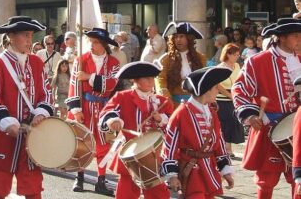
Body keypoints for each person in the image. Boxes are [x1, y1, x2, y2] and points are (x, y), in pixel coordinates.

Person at [0, 16, 53, 199]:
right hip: (3, 136)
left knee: (33, 189)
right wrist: (6, 121)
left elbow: (46, 94)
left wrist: (41, 113)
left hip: (31, 138)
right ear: (11, 36)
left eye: (31, 35)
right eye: (25, 35)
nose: (29, 40)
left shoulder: (36, 63)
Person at [232, 18, 301, 199]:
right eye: (296, 36)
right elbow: (240, 89)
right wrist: (250, 114)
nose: (300, 39)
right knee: (266, 179)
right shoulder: (258, 61)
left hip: (298, 127)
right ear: (282, 38)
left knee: (298, 179)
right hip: (270, 127)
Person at [98, 61, 173, 198]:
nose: (151, 81)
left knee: (158, 192)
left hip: (154, 155)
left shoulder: (162, 101)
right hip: (130, 152)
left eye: (152, 78)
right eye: (146, 78)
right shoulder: (123, 97)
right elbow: (106, 113)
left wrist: (160, 119)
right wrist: (113, 120)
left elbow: (171, 125)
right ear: (135, 80)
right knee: (126, 192)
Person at [161, 66, 235, 198]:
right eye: (215, 87)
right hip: (191, 171)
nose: (218, 90)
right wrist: (171, 175)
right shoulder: (181, 114)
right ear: (206, 90)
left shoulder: (212, 112)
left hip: (209, 168)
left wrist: (225, 170)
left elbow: (219, 142)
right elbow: (169, 146)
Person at [66, 27, 121, 195]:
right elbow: (74, 86)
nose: (91, 45)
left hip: (104, 107)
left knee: (103, 144)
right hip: (85, 106)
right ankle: (79, 177)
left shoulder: (114, 63)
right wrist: (75, 109)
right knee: (81, 143)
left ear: (104, 44)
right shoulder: (80, 60)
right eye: (90, 41)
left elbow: (111, 85)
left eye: (95, 42)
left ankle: (101, 180)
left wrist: (88, 77)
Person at [156, 22, 207, 108]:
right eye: (176, 37)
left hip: (197, 102)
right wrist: (167, 99)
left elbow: (205, 80)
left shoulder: (200, 58)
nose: (178, 39)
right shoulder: (165, 59)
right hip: (174, 102)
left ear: (189, 39)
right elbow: (160, 80)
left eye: (181, 36)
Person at [216, 43, 244, 156]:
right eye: (235, 54)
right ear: (228, 54)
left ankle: (228, 146)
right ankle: (226, 148)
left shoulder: (237, 66)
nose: (237, 57)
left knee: (234, 123)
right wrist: (229, 95)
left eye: (238, 54)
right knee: (225, 123)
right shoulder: (220, 68)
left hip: (235, 97)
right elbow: (217, 85)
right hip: (222, 99)